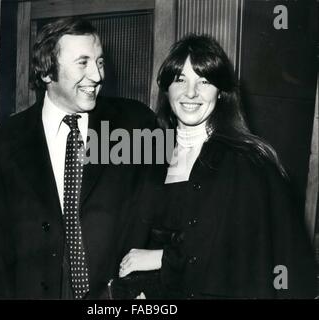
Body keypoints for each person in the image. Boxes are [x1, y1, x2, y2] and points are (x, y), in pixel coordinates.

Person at [119, 34, 317, 299]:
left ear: (221, 92)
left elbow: (234, 253)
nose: (190, 93)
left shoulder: (248, 163)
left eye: (204, 81)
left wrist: (162, 258)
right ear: (167, 90)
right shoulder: (152, 156)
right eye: (180, 80)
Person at [0, 18, 156, 299]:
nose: (97, 75)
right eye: (82, 63)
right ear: (47, 72)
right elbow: (0, 254)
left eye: (99, 62)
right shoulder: (3, 142)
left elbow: (164, 210)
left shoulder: (135, 124)